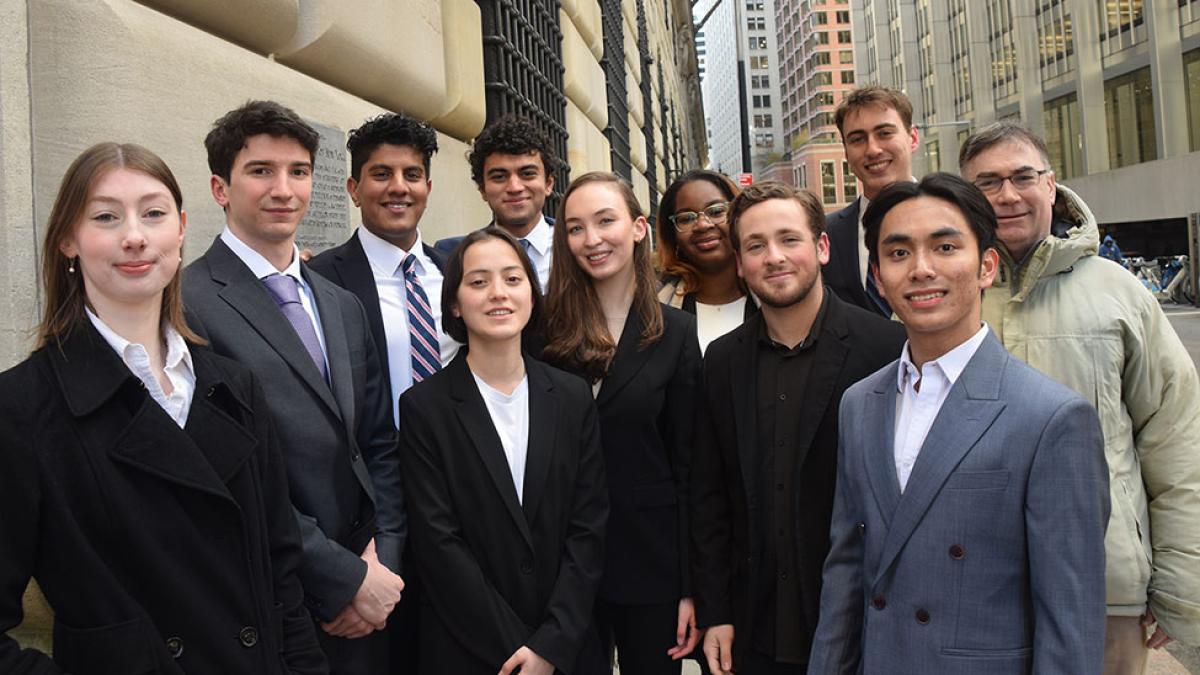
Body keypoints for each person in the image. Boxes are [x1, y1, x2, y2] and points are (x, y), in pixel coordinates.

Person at [0, 142, 327, 674]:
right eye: (106, 217)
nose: (134, 236)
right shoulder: (22, 408)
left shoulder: (236, 387)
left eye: (152, 214)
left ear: (179, 230)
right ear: (68, 240)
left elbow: (281, 575)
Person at [808, 173, 1110, 674]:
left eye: (945, 246)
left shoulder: (1051, 418)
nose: (922, 269)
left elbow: (1069, 620)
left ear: (986, 265)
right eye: (899, 253)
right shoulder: (860, 404)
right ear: (879, 280)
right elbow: (846, 572)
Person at [958, 121, 1200, 674]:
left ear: (1052, 185)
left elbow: (1177, 440)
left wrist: (1181, 583)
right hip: (974, 583)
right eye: (988, 182)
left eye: (1023, 177)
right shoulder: (945, 292)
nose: (1008, 195)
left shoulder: (1118, 292)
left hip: (1104, 582)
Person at [182, 101, 405, 675]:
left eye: (299, 171)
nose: (284, 189)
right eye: (261, 171)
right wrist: (344, 578)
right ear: (220, 187)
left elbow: (378, 443)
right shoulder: (188, 306)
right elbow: (225, 476)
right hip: (276, 597)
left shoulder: (340, 304)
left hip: (373, 592)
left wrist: (383, 565)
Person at [689, 182, 905, 675]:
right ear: (740, 263)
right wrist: (717, 611)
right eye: (755, 246)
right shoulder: (721, 363)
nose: (774, 258)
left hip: (858, 621)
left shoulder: (886, 349)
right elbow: (709, 497)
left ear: (822, 247)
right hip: (754, 625)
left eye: (789, 239)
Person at [399, 227, 608, 675]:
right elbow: (438, 541)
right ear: (454, 303)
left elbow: (587, 526)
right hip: (472, 650)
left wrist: (550, 645)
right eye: (478, 282)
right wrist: (517, 649)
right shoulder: (424, 408)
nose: (498, 294)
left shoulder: (571, 397)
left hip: (568, 649)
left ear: (532, 294)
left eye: (513, 279)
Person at [541, 172, 702, 674]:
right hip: (561, 567)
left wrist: (690, 588)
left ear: (637, 228)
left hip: (651, 566)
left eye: (605, 221)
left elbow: (691, 467)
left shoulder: (676, 333)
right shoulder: (543, 330)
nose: (592, 239)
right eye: (575, 228)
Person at [310, 111, 459, 426]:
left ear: (427, 189)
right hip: (377, 465)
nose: (399, 187)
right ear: (354, 189)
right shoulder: (319, 280)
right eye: (381, 174)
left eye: (412, 175)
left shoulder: (454, 273)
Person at [822, 86, 920, 317]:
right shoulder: (826, 234)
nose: (873, 149)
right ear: (846, 152)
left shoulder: (956, 218)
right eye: (857, 139)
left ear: (912, 138)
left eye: (885, 133)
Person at [434, 115, 558, 289]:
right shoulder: (451, 255)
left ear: (548, 183)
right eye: (499, 177)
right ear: (482, 189)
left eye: (527, 173)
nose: (515, 187)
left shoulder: (577, 246)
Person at [656, 170, 756, 354]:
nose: (703, 224)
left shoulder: (773, 296)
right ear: (673, 235)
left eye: (717, 211)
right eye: (686, 218)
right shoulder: (655, 309)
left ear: (739, 217)